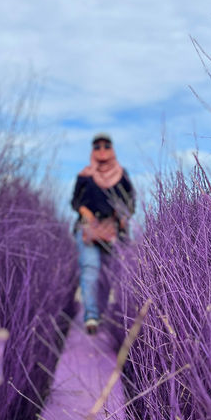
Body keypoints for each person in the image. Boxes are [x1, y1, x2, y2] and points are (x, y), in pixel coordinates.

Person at [71, 133, 135, 335]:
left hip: (113, 231)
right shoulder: (85, 175)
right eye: (97, 147)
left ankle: (101, 312)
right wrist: (85, 211)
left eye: (106, 146)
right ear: (92, 150)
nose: (102, 150)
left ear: (112, 149)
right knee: (90, 269)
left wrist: (121, 214)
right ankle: (91, 316)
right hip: (88, 230)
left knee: (107, 275)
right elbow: (75, 201)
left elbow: (130, 202)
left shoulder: (122, 175)